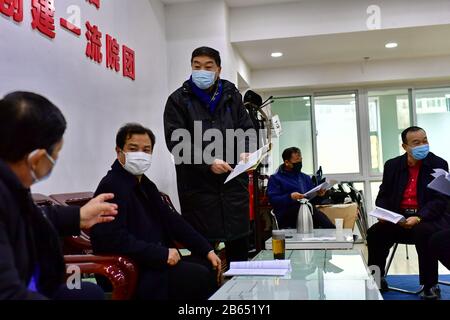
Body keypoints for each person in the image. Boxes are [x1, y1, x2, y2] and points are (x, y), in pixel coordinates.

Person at [0, 91, 118, 300]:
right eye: (55, 155)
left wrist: (78, 216)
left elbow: (33, 215)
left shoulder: (13, 185)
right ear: (36, 159)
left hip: (35, 282)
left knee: (89, 294)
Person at [90, 123, 222, 300]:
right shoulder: (112, 186)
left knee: (207, 264)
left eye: (146, 150)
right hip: (133, 268)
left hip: (152, 263)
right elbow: (111, 239)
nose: (141, 155)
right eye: (133, 149)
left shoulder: (144, 183)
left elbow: (172, 220)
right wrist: (161, 254)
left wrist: (206, 249)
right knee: (199, 276)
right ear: (119, 151)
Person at [163, 46, 255, 265]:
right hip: (198, 189)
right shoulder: (178, 100)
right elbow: (176, 140)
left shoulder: (233, 97)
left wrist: (247, 151)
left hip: (233, 187)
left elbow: (247, 130)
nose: (201, 71)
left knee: (239, 254)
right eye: (197, 66)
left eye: (208, 66)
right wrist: (207, 162)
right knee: (202, 256)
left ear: (218, 70)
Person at [367, 126, 450, 300]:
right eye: (416, 142)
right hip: (400, 218)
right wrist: (385, 214)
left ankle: (430, 284)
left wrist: (419, 217)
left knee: (424, 232)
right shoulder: (392, 165)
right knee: (375, 233)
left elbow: (440, 200)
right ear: (405, 147)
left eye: (425, 140)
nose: (423, 145)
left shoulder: (438, 164)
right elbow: (384, 196)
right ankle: (376, 277)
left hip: (428, 218)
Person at [267, 147, 335, 229]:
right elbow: (273, 200)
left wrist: (319, 195)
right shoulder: (275, 178)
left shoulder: (305, 178)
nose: (299, 163)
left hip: (306, 211)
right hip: (286, 214)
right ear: (287, 162)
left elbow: (312, 199)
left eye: (300, 160)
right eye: (296, 161)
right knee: (310, 212)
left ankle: (333, 233)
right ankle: (332, 232)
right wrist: (290, 197)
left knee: (313, 212)